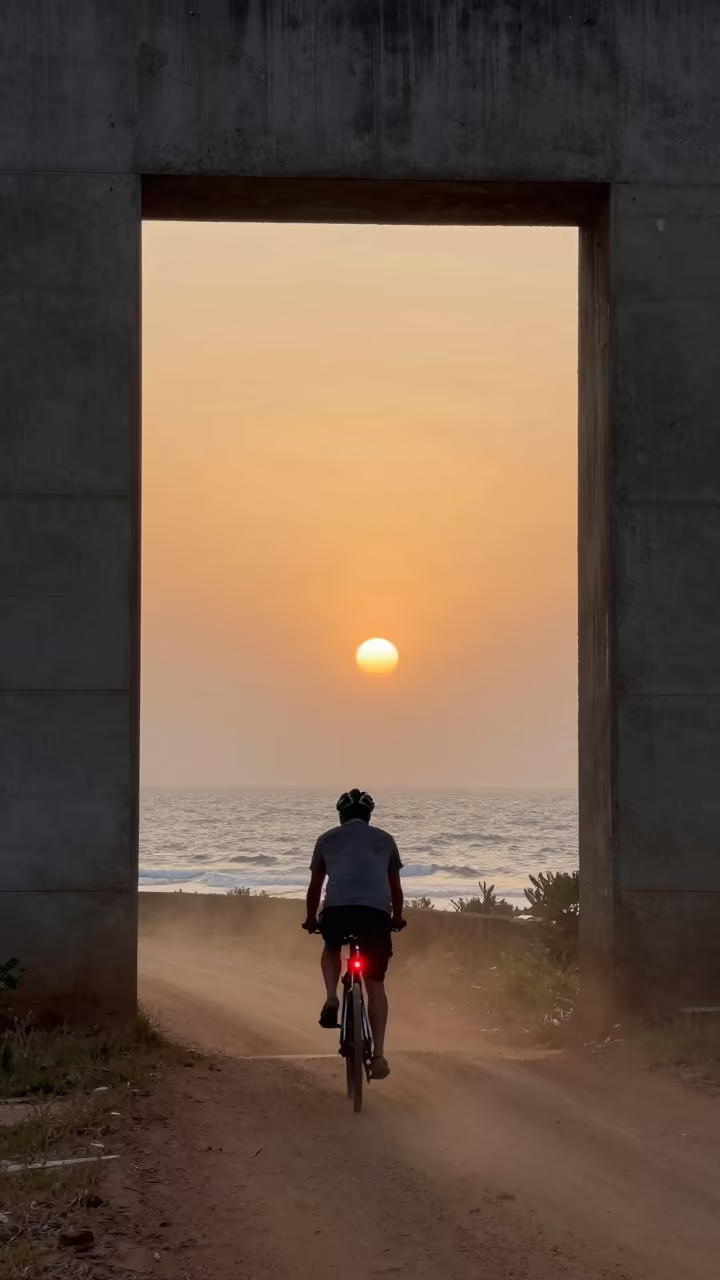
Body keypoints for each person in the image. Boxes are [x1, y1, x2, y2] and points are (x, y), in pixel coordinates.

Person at [303, 789, 404, 1080]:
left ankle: (331, 996)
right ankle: (380, 1056)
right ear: (369, 816)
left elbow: (315, 887)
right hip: (375, 915)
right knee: (375, 983)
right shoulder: (385, 840)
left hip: (337, 910)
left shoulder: (326, 839)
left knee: (331, 945)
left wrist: (311, 919)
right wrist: (397, 917)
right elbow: (395, 888)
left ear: (340, 815)